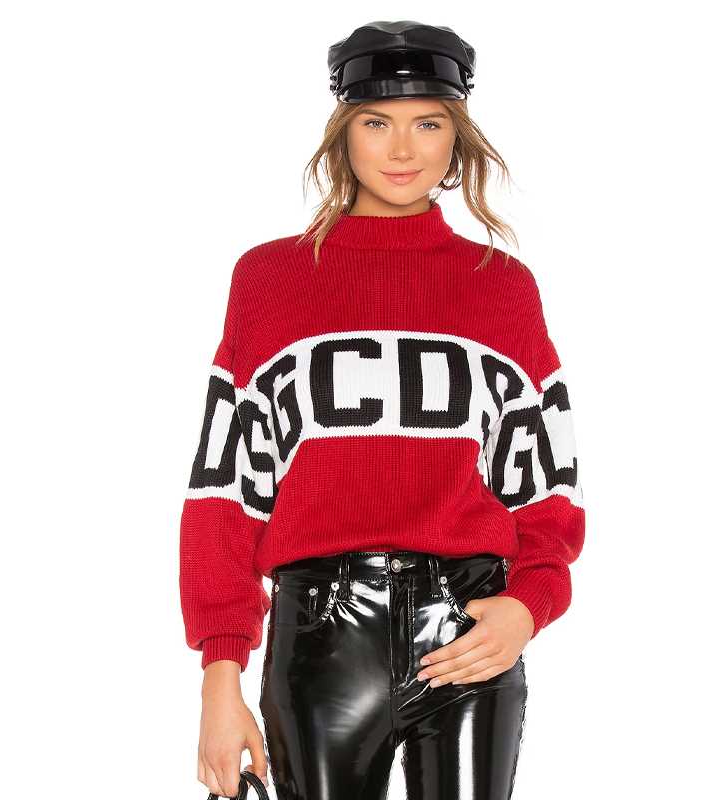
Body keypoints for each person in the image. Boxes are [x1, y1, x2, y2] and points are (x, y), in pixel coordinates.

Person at [180, 20, 586, 800]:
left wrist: (528, 606)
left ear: (457, 137)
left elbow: (545, 483)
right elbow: (227, 486)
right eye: (376, 123)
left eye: (427, 123)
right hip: (319, 640)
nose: (402, 149)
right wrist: (219, 675)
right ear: (343, 133)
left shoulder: (502, 286)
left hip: (469, 630)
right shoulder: (269, 279)